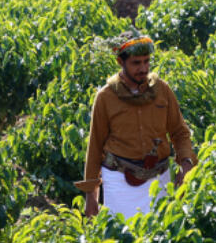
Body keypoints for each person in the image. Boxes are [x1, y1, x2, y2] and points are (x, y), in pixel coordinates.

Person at [75, 30, 196, 217]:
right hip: (119, 182)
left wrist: (186, 164)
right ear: (120, 62)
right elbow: (95, 146)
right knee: (121, 239)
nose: (143, 68)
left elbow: (179, 132)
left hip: (159, 179)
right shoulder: (106, 97)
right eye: (136, 63)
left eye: (146, 61)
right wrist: (91, 197)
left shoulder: (162, 90)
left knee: (159, 237)